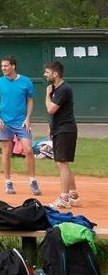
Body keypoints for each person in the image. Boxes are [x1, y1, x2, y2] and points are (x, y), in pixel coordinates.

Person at [0, 55, 41, 196]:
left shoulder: (26, 81)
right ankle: (8, 182)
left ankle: (33, 181)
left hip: (21, 122)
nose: (3, 68)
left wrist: (28, 118)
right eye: (2, 66)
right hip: (5, 122)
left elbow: (30, 101)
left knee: (28, 150)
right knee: (6, 152)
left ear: (13, 66)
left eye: (6, 66)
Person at [43, 61, 81, 208]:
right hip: (60, 129)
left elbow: (51, 109)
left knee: (62, 163)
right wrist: (51, 128)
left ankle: (64, 198)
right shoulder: (57, 89)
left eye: (47, 72)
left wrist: (47, 95)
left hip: (65, 129)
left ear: (55, 73)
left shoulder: (63, 89)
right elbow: (56, 113)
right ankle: (73, 195)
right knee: (62, 163)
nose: (45, 75)